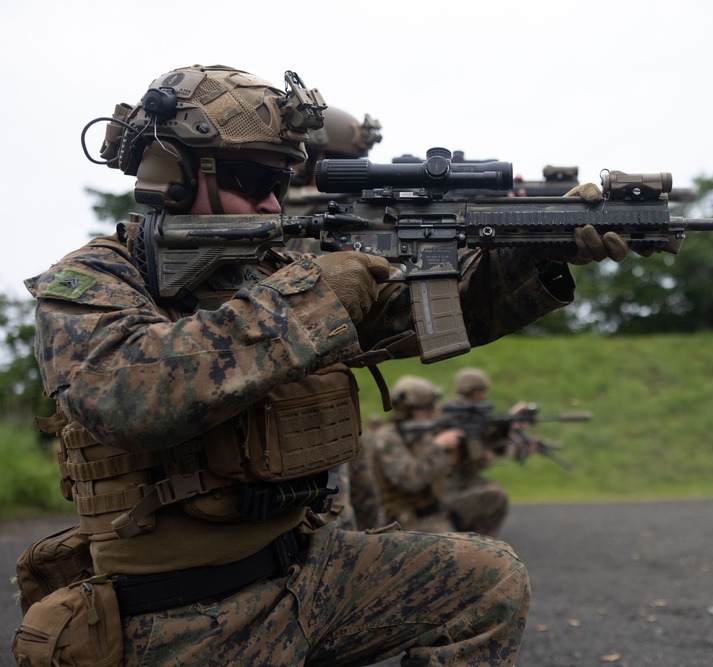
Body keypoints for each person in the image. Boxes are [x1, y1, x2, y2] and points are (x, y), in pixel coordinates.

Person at [23, 62, 639, 666]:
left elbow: (416, 316)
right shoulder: (94, 279)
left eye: (282, 180)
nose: (273, 203)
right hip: (180, 615)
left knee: (487, 581)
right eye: (251, 180)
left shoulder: (270, 271)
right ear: (171, 176)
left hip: (307, 572)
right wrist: (313, 298)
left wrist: (537, 251)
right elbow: (123, 395)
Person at [369, 376, 463, 532]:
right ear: (404, 410)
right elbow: (410, 481)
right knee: (462, 550)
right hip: (405, 520)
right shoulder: (387, 440)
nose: (432, 414)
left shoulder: (421, 434)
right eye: (425, 409)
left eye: (432, 408)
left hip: (433, 511)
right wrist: (437, 447)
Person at [439, 367, 518, 536]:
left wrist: (506, 427)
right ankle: (477, 540)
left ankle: (478, 538)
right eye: (480, 390)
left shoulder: (473, 412)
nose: (484, 395)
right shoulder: (451, 413)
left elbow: (488, 442)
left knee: (494, 492)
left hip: (463, 477)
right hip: (448, 481)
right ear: (469, 390)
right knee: (495, 496)